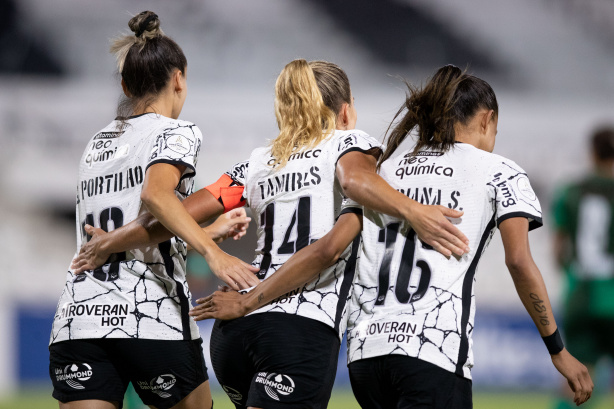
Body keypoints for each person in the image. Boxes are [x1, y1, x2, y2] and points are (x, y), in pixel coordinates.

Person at [71, 59, 471, 409]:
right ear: (345, 111)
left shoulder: (259, 163)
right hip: (297, 328)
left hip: (234, 337)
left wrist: (112, 240)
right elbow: (352, 183)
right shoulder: (348, 144)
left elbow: (169, 215)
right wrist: (416, 212)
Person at [193, 65, 594, 408]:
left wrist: (212, 248)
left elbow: (333, 241)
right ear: (487, 119)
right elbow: (519, 261)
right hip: (427, 350)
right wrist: (557, 350)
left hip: (366, 355)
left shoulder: (383, 173)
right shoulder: (496, 171)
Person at [49, 11, 257, 409]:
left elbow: (136, 226)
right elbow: (155, 198)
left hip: (80, 316)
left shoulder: (96, 143)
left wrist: (208, 232)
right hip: (148, 312)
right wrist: (214, 253)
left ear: (126, 86)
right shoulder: (177, 131)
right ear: (179, 79)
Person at [551, 126, 614, 409]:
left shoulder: (570, 192)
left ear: (592, 153)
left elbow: (558, 250)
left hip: (581, 295)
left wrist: (573, 276)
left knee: (578, 377)